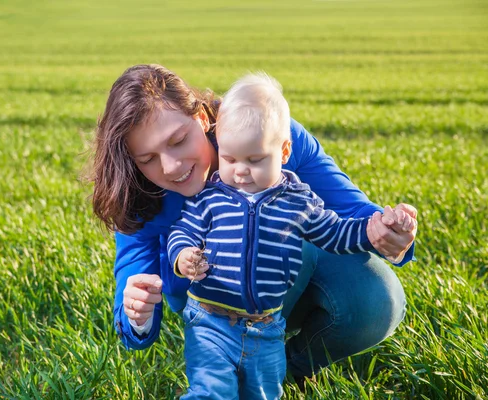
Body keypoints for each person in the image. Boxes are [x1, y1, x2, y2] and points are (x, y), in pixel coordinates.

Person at [86, 64, 417, 382]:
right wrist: (137, 314)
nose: (171, 167)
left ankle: (290, 370)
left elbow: (351, 209)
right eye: (149, 159)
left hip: (293, 268)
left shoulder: (265, 133)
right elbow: (133, 314)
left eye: (178, 140)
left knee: (376, 299)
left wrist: (391, 233)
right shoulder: (138, 194)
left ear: (201, 117)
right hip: (207, 297)